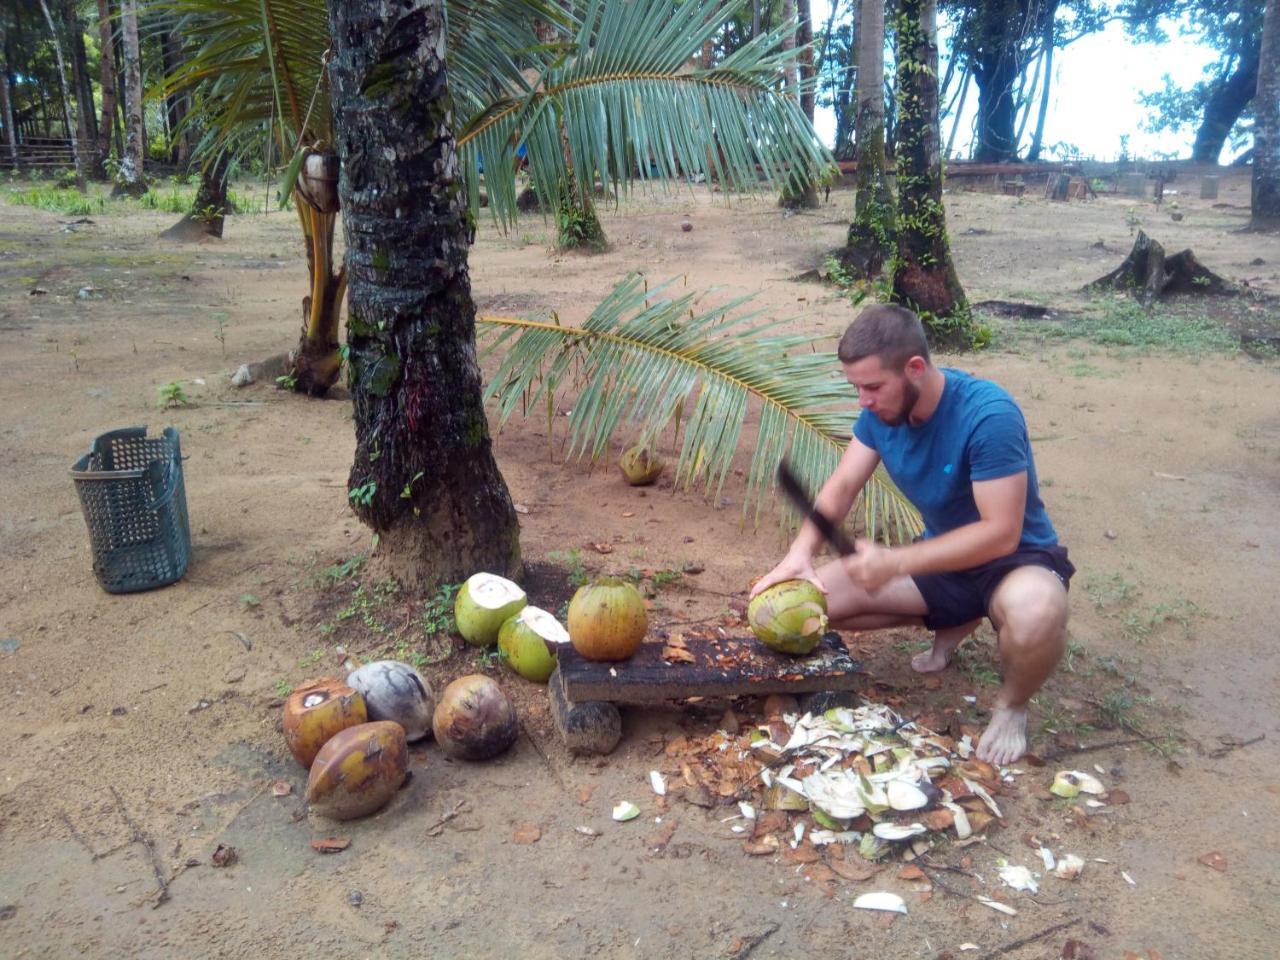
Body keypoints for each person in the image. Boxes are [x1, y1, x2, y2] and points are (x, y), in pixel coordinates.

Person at [751, 304, 1074, 765]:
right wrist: (799, 555)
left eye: (873, 386)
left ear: (915, 369)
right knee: (814, 602)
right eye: (856, 387)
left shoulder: (988, 415)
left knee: (1035, 612)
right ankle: (956, 618)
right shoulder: (882, 416)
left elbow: (1001, 534)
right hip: (941, 562)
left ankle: (1012, 706)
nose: (863, 400)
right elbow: (843, 485)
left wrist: (895, 562)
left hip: (1015, 562)